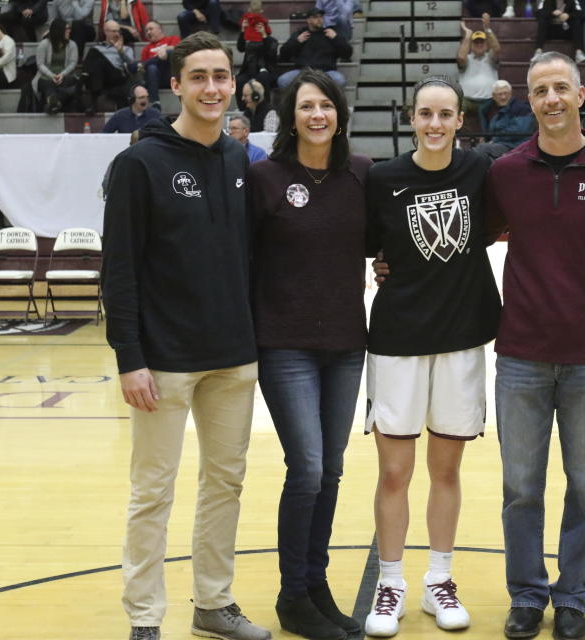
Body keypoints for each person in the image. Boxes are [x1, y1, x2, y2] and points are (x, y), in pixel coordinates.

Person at [102, 31, 270, 640]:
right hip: (164, 361)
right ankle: (145, 618)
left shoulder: (239, 160)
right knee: (153, 493)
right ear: (175, 85)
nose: (211, 88)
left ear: (234, 84)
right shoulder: (138, 163)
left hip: (233, 356)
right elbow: (117, 269)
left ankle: (213, 604)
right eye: (198, 77)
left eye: (220, 76)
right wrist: (129, 357)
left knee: (225, 484)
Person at [483, 51, 585, 640]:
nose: (551, 99)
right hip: (520, 354)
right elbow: (479, 234)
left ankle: (572, 598)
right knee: (521, 488)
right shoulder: (506, 172)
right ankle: (527, 595)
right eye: (539, 90)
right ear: (529, 100)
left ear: (580, 96)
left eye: (560, 89)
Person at [362, 76, 502, 637]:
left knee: (446, 470)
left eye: (446, 114)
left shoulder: (482, 171)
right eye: (426, 114)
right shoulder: (382, 178)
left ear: (460, 120)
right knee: (395, 472)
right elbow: (374, 247)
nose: (436, 123)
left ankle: (438, 579)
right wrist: (380, 266)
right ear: (410, 117)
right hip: (397, 339)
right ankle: (391, 581)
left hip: (464, 336)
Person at [246, 68, 372, 640]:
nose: (317, 115)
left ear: (340, 113)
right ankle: (292, 596)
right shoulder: (265, 178)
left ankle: (315, 585)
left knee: (334, 471)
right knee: (309, 469)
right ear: (289, 117)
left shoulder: (362, 174)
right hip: (286, 344)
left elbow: (384, 242)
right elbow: (241, 260)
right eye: (305, 106)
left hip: (347, 344)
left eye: (326, 105)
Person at [278, 8, 351, 89]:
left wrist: (336, 38)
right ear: (308, 20)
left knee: (339, 80)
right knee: (283, 80)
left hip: (326, 72)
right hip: (303, 71)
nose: (320, 20)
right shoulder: (301, 34)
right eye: (316, 17)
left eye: (321, 17)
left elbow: (347, 53)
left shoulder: (330, 33)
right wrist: (297, 41)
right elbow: (283, 54)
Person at [82, 20, 138, 114]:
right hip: (101, 77)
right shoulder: (98, 48)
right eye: (113, 31)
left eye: (118, 31)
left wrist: (120, 51)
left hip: (118, 76)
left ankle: (93, 102)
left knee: (98, 61)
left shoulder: (126, 48)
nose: (116, 34)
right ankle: (92, 96)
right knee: (95, 56)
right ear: (106, 32)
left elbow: (132, 65)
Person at [477, 78, 534, 157]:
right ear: (493, 96)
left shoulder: (521, 108)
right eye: (499, 94)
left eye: (506, 93)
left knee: (482, 148)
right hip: (502, 143)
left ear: (511, 94)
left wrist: (495, 140)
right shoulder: (489, 109)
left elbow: (517, 131)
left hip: (516, 145)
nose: (503, 97)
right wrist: (487, 138)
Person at [34, 18, 80, 114]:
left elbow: (73, 63)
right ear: (59, 30)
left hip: (65, 76)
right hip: (46, 76)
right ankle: (55, 103)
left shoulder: (72, 45)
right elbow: (40, 64)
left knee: (72, 82)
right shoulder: (44, 44)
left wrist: (62, 75)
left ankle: (53, 103)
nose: (69, 31)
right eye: (66, 29)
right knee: (48, 84)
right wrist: (52, 76)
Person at [457, 16, 500, 117]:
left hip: (489, 100)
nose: (479, 44)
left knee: (500, 106)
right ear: (471, 45)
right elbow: (461, 57)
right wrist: (468, 36)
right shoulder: (467, 58)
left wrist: (487, 29)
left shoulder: (490, 57)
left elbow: (497, 49)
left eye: (482, 42)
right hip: (467, 100)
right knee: (457, 107)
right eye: (476, 42)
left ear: (486, 44)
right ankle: (457, 133)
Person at [141, 21, 179, 108]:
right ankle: (155, 102)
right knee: (151, 67)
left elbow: (178, 50)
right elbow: (143, 68)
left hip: (170, 74)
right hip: (155, 78)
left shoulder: (172, 39)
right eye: (146, 31)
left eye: (151, 29)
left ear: (159, 29)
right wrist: (158, 57)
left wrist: (165, 50)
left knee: (171, 52)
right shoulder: (146, 49)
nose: (148, 32)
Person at [236, 20, 278, 98]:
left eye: (260, 27)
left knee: (262, 77)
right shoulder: (250, 41)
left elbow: (271, 54)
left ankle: (265, 106)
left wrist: (264, 35)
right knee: (239, 80)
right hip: (249, 70)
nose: (257, 29)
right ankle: (242, 107)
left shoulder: (272, 41)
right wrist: (243, 31)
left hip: (267, 70)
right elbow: (240, 48)